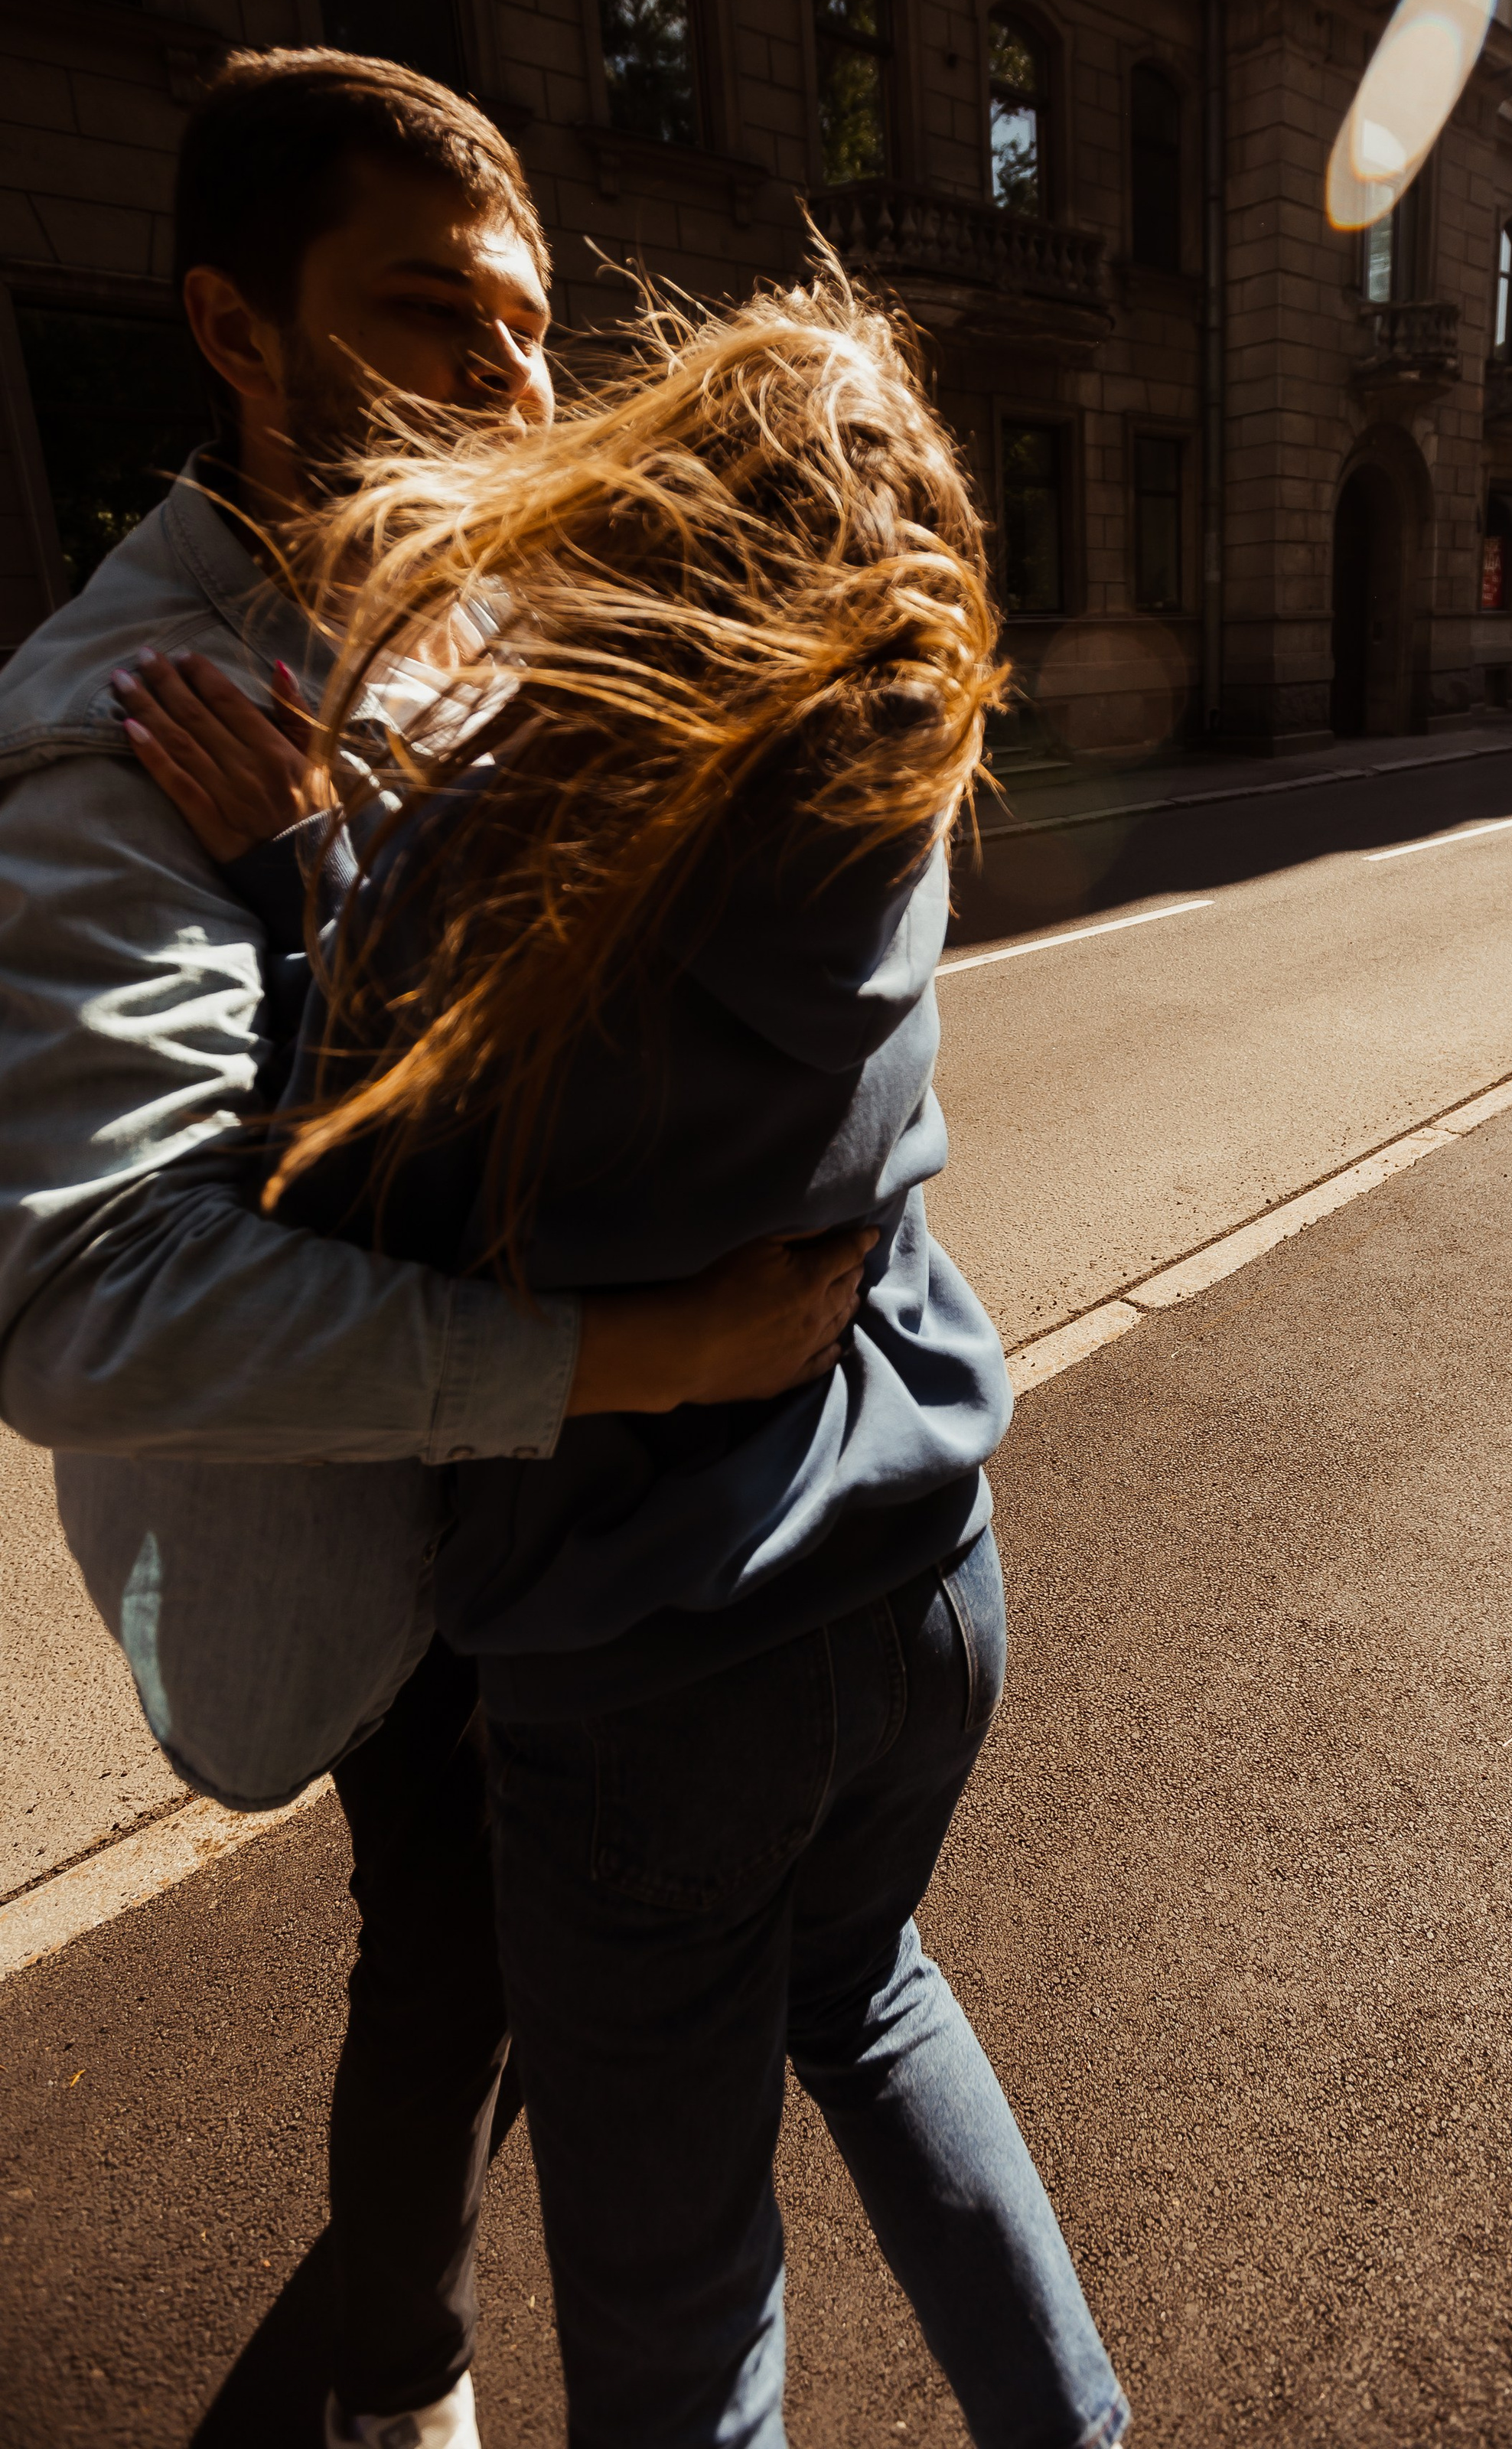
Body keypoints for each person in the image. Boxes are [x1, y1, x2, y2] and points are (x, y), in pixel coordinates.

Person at [0, 49, 863, 2449]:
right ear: (232, 327)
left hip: (546, 1512)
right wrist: (637, 1356)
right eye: (425, 317)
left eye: (522, 323)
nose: (507, 384)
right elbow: (86, 1303)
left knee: (540, 1950)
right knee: (458, 1958)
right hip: (397, 1549)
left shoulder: (462, 622)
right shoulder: (123, 727)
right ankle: (408, 2391)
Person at [204, 263, 1131, 2449]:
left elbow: (333, 1212)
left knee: (673, 2306)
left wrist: (281, 885)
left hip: (657, 1663)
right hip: (926, 1585)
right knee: (870, 1990)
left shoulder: (524, 847)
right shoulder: (885, 794)